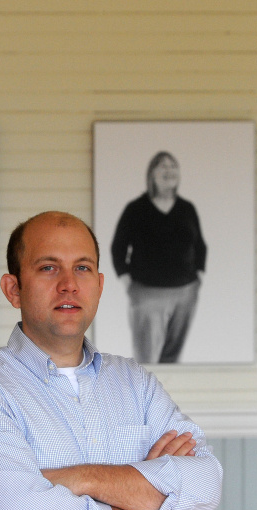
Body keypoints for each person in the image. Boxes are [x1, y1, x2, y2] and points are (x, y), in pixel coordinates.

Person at [0, 211, 223, 510]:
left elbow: (206, 484)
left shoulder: (135, 383)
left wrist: (83, 478)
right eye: (48, 267)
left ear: (99, 286)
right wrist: (149, 504)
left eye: (82, 268)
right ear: (13, 289)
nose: (69, 284)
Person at [110, 151, 207, 363]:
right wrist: (130, 286)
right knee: (146, 360)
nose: (169, 170)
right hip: (147, 294)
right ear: (151, 173)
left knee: (172, 358)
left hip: (186, 293)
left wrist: (198, 277)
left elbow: (200, 245)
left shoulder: (187, 209)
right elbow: (118, 247)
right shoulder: (136, 209)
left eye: (173, 166)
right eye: (162, 166)